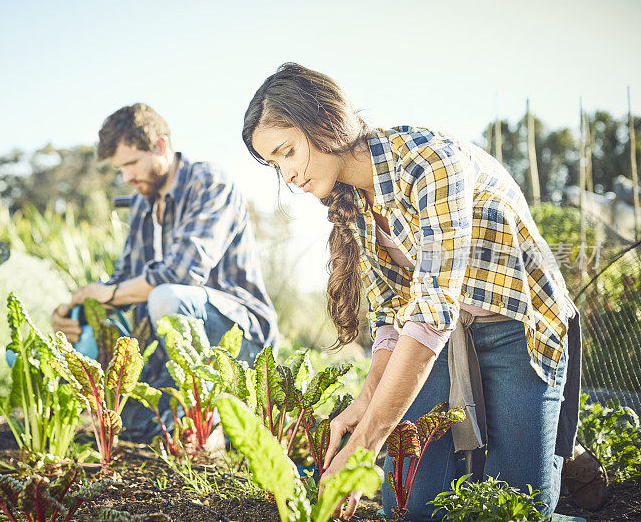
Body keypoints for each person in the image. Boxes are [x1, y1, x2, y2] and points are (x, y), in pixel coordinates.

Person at [242, 63, 581, 521]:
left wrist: (364, 448)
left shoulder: (429, 161)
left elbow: (430, 315)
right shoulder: (352, 200)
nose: (287, 175)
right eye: (274, 163)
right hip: (441, 341)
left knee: (517, 505)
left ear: (323, 121)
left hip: (517, 326)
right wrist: (362, 409)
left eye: (287, 152)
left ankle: (568, 460)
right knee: (417, 504)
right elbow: (390, 317)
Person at [52, 102, 278, 442]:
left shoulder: (210, 182)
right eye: (120, 168)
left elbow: (182, 274)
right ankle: (175, 422)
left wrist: (108, 294)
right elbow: (122, 279)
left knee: (166, 296)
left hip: (240, 341)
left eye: (131, 163)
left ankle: (207, 427)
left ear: (161, 145)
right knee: (120, 413)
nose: (126, 177)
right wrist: (76, 307)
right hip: (174, 351)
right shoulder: (142, 203)